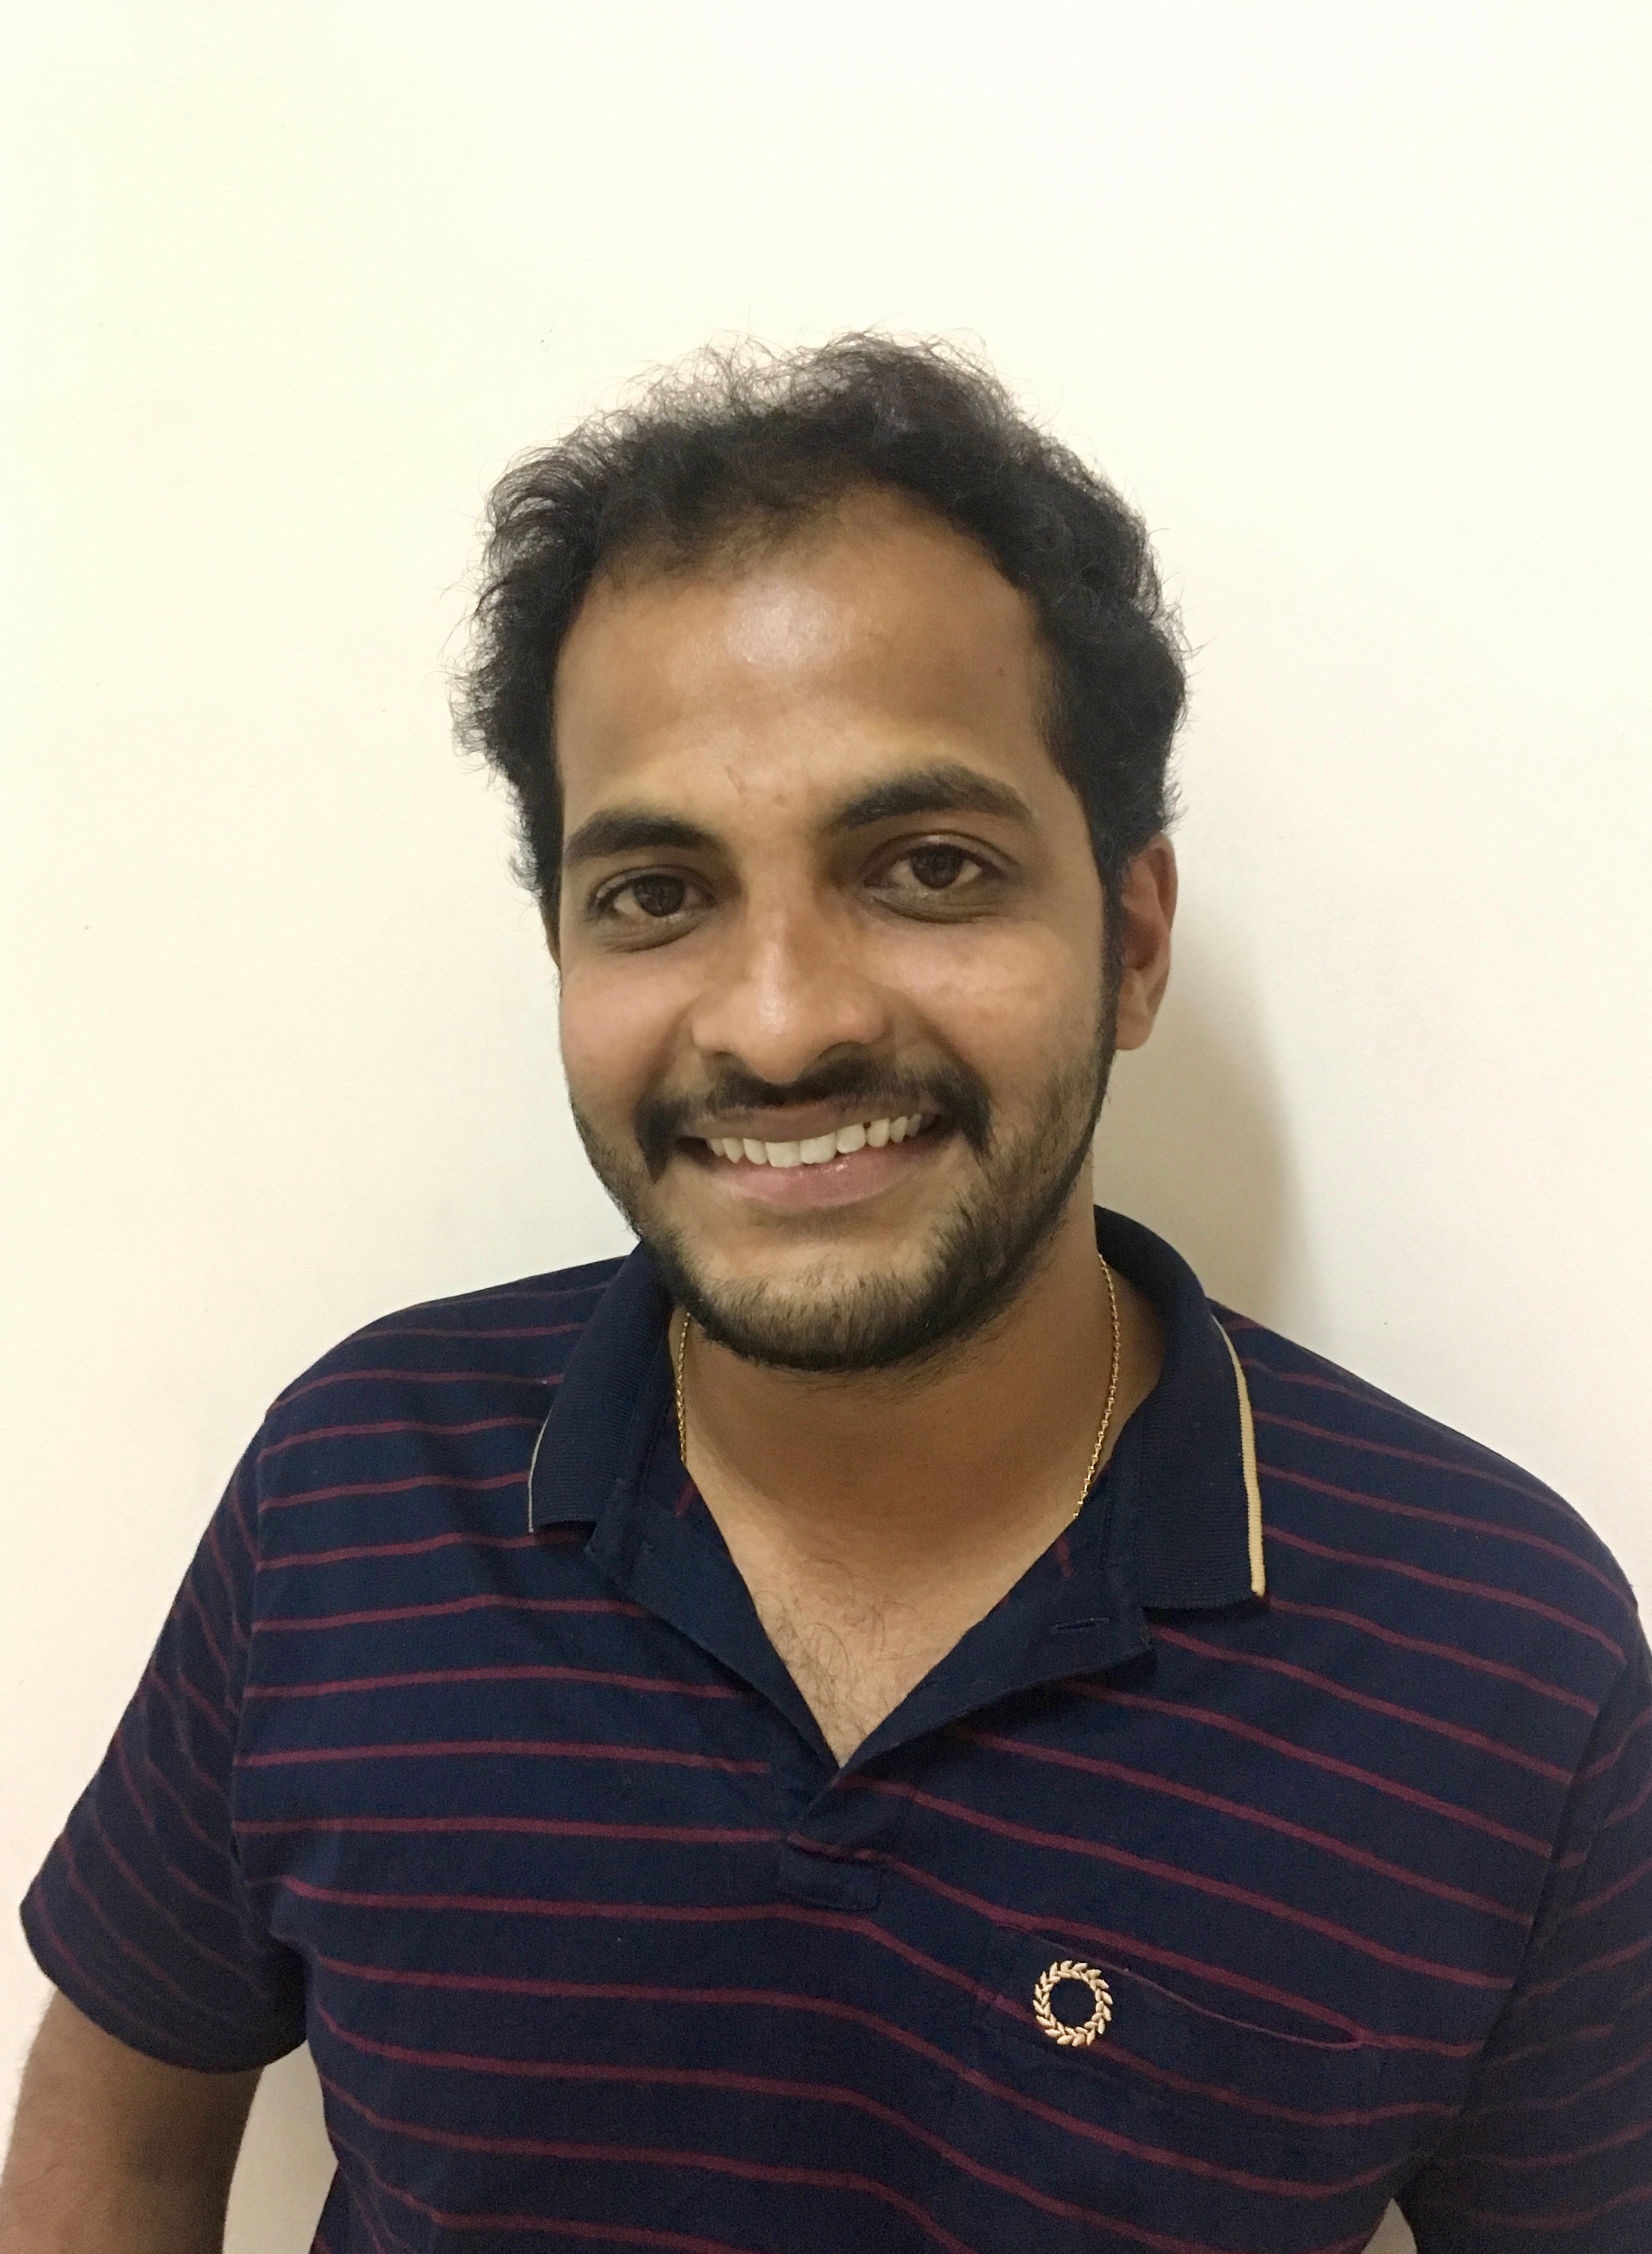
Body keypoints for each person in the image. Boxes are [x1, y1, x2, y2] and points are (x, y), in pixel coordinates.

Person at [4, 337, 1648, 2254]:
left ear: (1129, 942)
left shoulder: (1498, 1658)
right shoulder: (354, 1489)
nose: (780, 1024)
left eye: (927, 866)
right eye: (656, 892)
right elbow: (122, 2139)